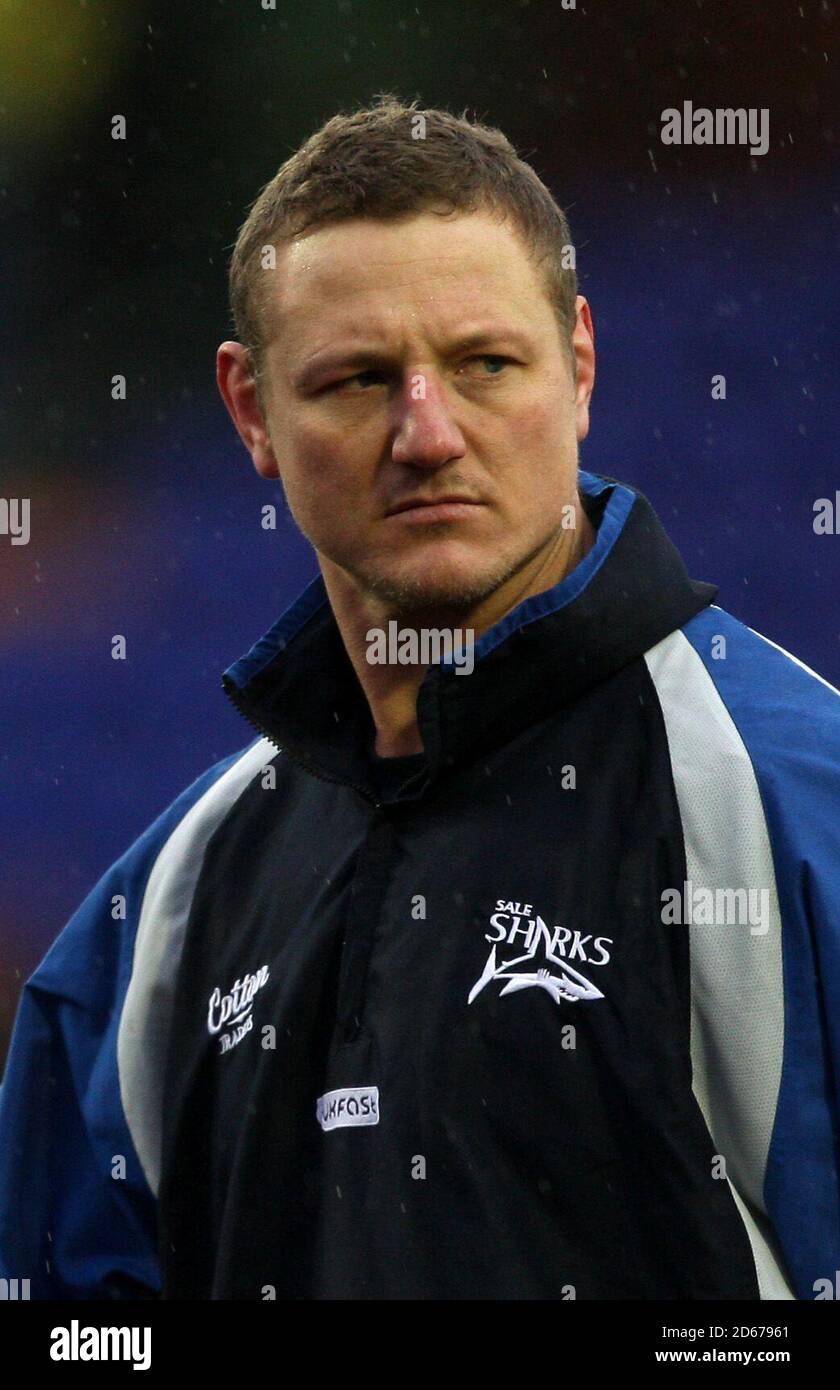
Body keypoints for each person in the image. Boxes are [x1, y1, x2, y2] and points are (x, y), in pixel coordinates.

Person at [1, 95, 838, 1301]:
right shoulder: (158, 917)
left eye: (485, 363)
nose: (428, 432)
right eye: (355, 380)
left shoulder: (797, 809)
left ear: (582, 365)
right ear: (252, 413)